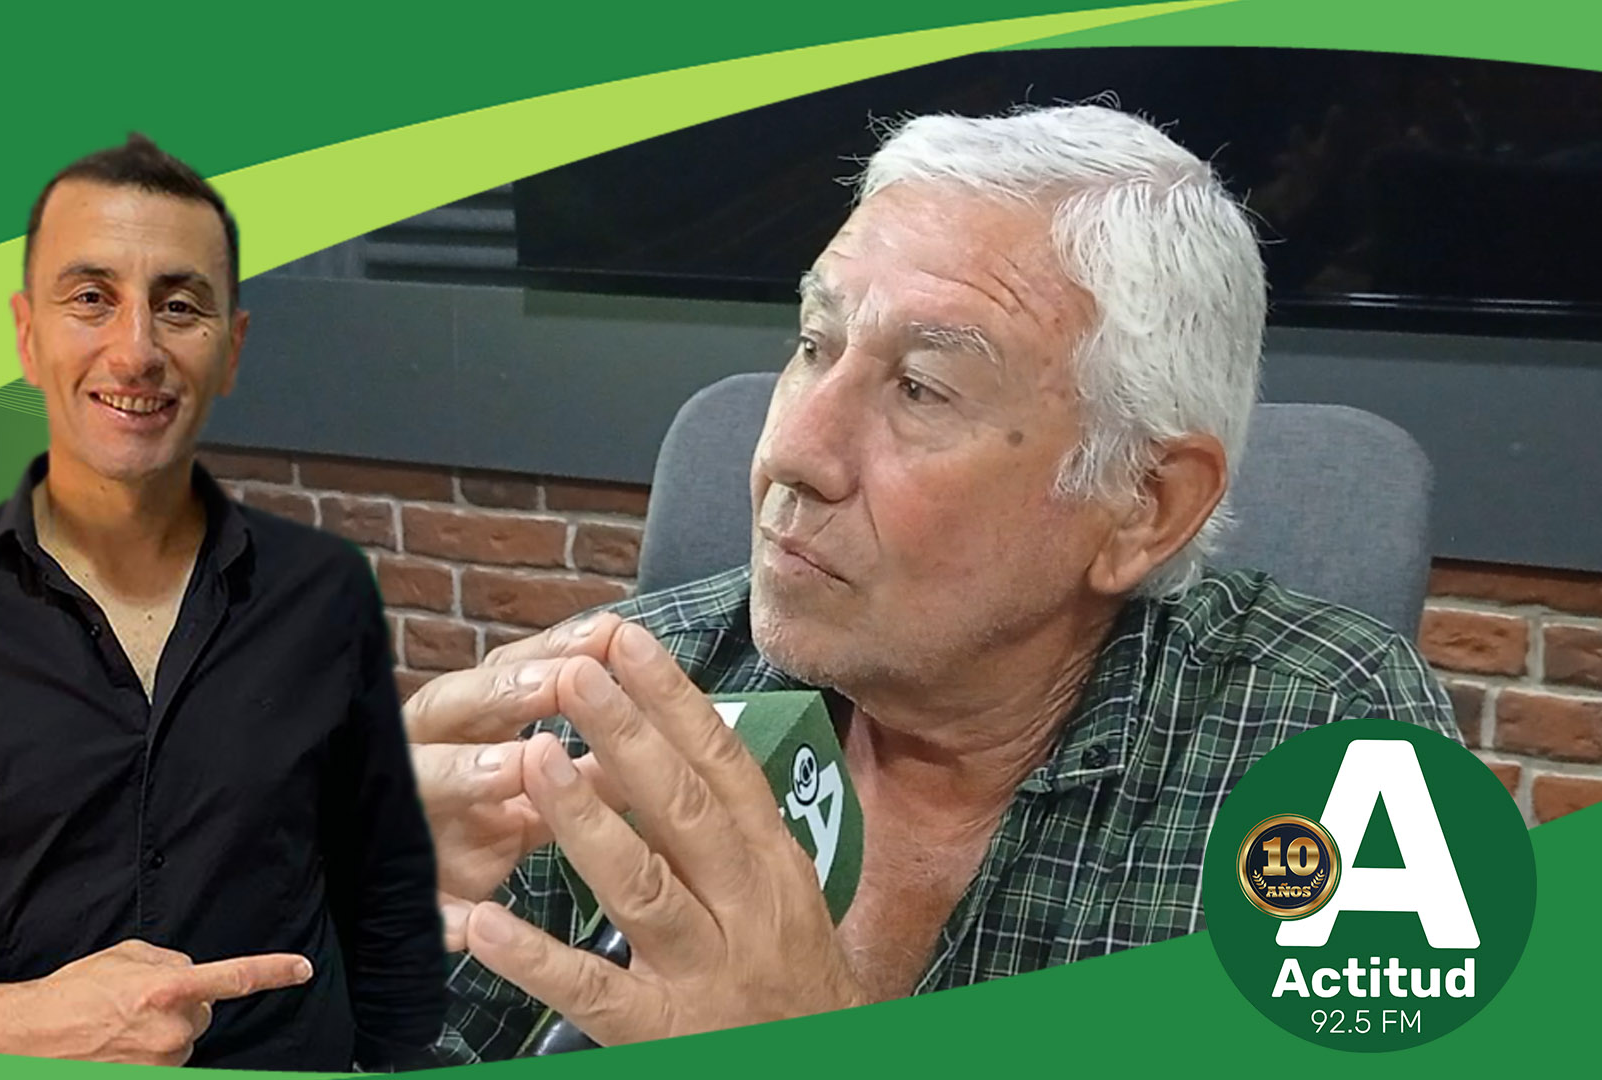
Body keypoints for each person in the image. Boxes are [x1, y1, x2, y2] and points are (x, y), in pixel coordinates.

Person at [408, 105, 1459, 1059]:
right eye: (814, 344)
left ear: (1144, 503)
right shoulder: (631, 689)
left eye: (922, 388)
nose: (792, 452)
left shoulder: (1334, 746)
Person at [0, 134, 445, 1070]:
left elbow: (384, 900)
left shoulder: (327, 593)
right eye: (91, 298)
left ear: (231, 349)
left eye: (178, 306)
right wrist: (20, 1027)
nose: (136, 350)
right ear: (28, 337)